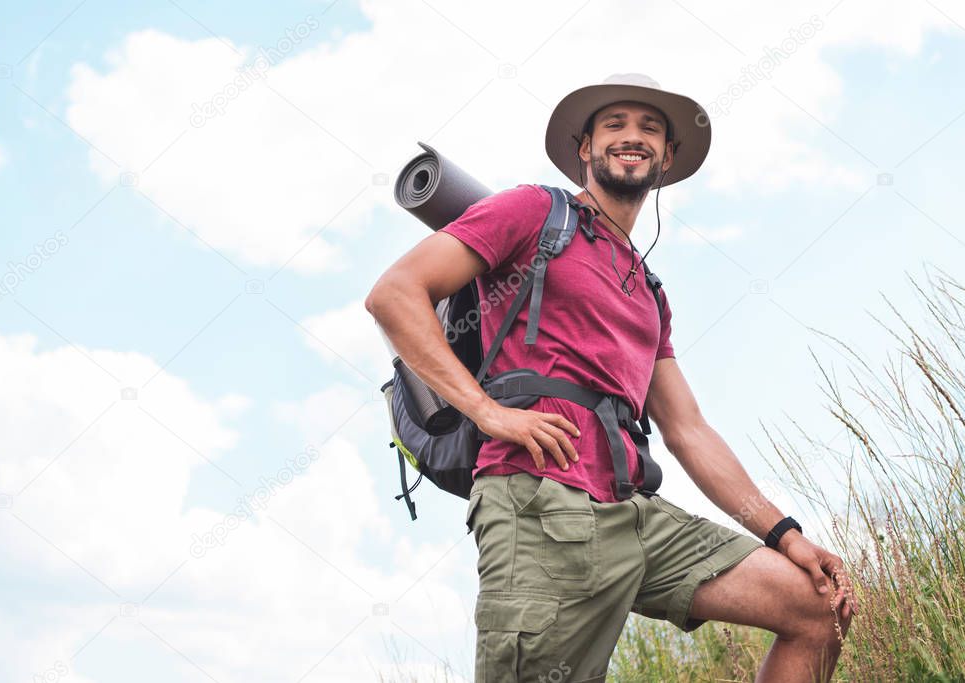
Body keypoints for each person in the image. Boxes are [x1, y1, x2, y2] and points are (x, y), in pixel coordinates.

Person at [365, 73, 857, 682]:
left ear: (667, 156)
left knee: (818, 609)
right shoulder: (534, 211)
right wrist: (486, 412)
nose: (633, 137)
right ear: (585, 148)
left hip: (632, 511)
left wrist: (784, 534)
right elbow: (394, 294)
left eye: (650, 128)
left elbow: (690, 431)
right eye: (615, 125)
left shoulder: (648, 292)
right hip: (539, 502)